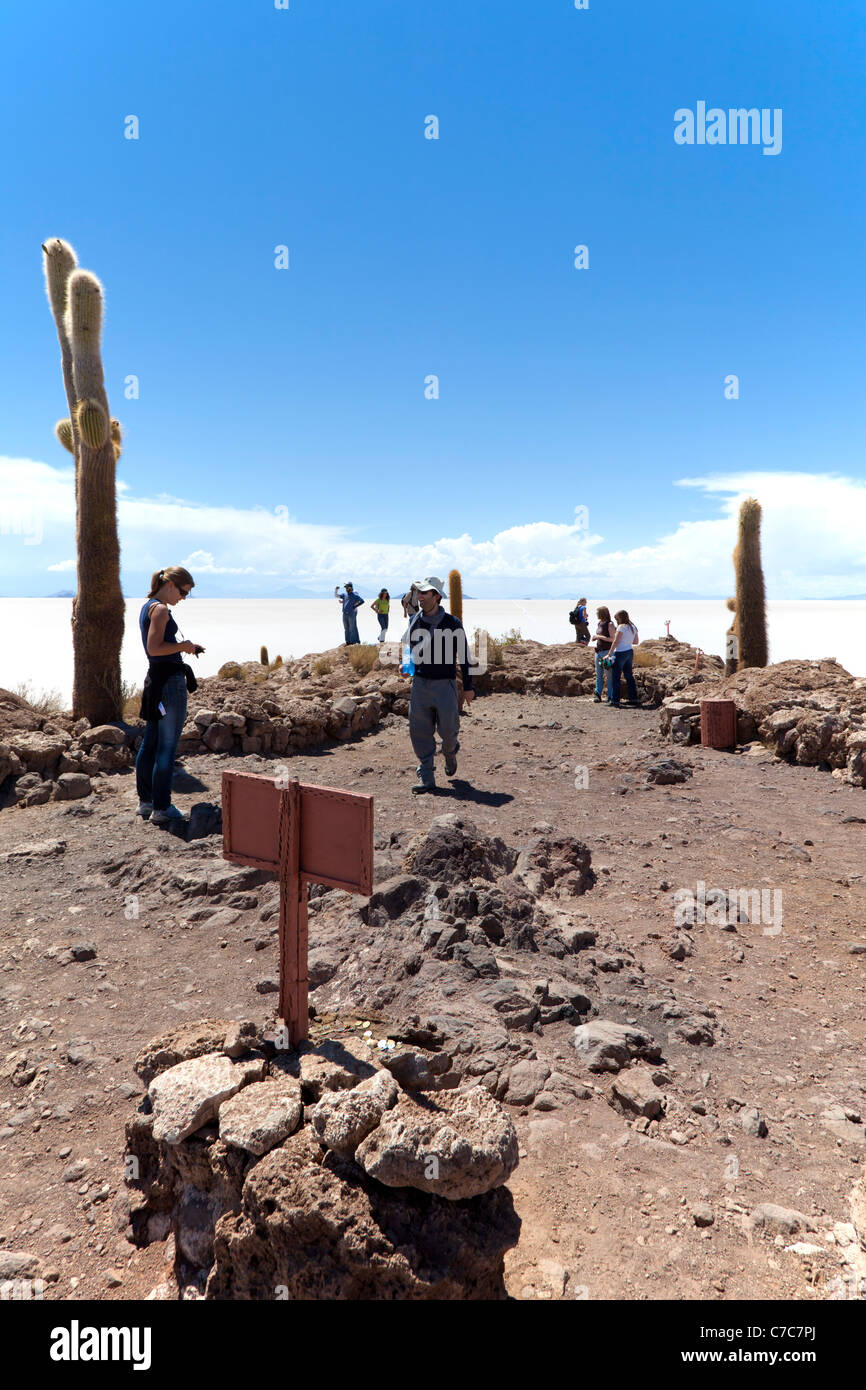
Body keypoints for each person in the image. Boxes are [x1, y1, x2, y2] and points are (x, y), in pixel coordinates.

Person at [135, 566, 203, 825]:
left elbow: (155, 646)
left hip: (155, 681)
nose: (183, 598)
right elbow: (155, 648)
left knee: (150, 743)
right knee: (166, 746)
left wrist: (185, 648)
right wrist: (184, 647)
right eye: (184, 592)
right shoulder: (161, 609)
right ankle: (162, 808)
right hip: (168, 685)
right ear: (172, 584)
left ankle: (147, 802)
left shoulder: (148, 606)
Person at [406, 576, 475, 793]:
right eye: (419, 593)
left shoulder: (452, 623)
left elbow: (464, 655)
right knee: (419, 731)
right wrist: (406, 666)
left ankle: (450, 751)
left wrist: (469, 687)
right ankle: (427, 775)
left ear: (436, 596)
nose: (420, 597)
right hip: (420, 684)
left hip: (445, 685)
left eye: (425, 593)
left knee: (449, 730)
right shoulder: (414, 621)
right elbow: (410, 649)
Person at [606, 609, 640, 708]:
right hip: (629, 651)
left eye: (617, 619)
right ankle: (633, 698)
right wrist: (627, 641)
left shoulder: (621, 627)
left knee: (616, 676)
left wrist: (609, 653)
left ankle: (615, 700)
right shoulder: (633, 627)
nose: (616, 621)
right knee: (629, 676)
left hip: (620, 652)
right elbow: (636, 641)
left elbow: (616, 641)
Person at [591, 605, 616, 702]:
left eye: (598, 613)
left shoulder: (609, 624)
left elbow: (613, 639)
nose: (596, 614)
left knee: (609, 674)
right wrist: (596, 638)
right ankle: (598, 694)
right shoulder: (600, 623)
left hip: (607, 652)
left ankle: (610, 695)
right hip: (598, 651)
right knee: (599, 674)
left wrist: (599, 637)